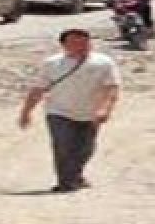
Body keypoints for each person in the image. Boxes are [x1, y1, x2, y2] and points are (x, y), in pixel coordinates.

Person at [18, 28, 121, 193]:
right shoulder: (52, 63)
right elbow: (38, 89)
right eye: (75, 42)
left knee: (85, 148)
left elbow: (111, 88)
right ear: (64, 45)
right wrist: (26, 112)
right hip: (58, 111)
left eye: (84, 42)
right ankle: (65, 182)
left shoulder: (103, 63)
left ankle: (76, 175)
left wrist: (105, 109)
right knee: (62, 146)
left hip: (89, 113)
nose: (81, 46)